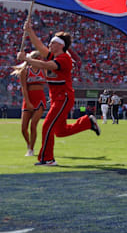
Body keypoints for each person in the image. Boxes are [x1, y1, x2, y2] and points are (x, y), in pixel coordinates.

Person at [18, 25, 99, 166]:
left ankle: (47, 158)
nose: (49, 45)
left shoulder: (64, 58)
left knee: (47, 125)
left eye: (53, 43)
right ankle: (87, 122)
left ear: (60, 45)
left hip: (64, 97)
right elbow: (40, 46)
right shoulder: (54, 55)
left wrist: (28, 60)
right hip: (57, 98)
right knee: (60, 131)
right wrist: (30, 31)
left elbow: (48, 66)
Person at [12, 50, 47, 157]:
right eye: (39, 58)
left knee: (33, 125)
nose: (40, 60)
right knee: (23, 128)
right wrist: (27, 102)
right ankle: (28, 144)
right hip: (28, 99)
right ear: (33, 59)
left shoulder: (43, 69)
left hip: (40, 98)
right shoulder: (25, 71)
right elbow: (24, 87)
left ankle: (31, 149)